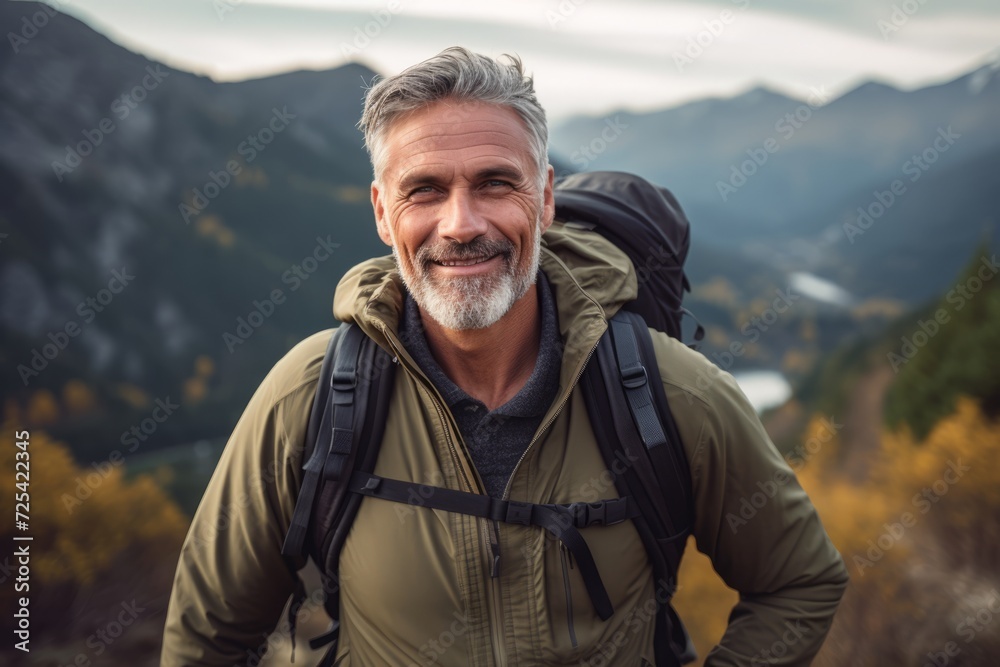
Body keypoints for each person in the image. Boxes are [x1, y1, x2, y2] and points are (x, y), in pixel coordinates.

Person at [162, 47, 848, 666]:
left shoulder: (673, 392)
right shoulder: (309, 399)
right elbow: (207, 637)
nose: (461, 224)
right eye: (424, 189)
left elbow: (799, 580)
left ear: (545, 197)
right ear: (381, 210)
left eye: (495, 182)